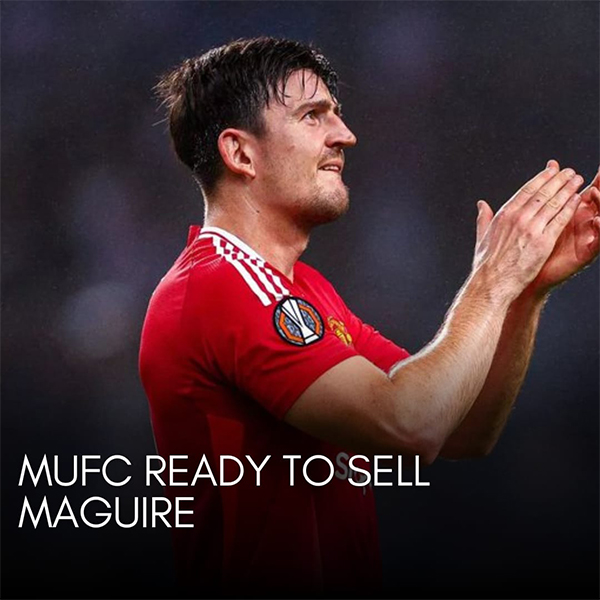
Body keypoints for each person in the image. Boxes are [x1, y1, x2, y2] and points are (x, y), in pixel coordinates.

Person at [139, 36, 600, 597]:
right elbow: (410, 424)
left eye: (335, 113)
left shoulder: (302, 289)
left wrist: (525, 292)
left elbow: (461, 427)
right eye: (313, 116)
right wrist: (494, 277)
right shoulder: (221, 285)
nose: (345, 134)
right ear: (240, 154)